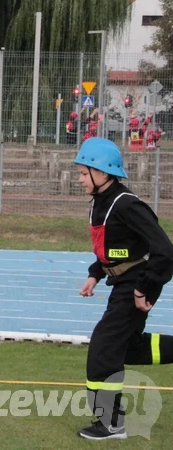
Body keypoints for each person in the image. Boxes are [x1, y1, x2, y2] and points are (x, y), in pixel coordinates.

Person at [74, 138, 173, 440]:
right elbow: (112, 248)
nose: (79, 179)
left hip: (136, 285)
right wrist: (95, 274)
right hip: (124, 283)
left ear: (101, 173)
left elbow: (165, 251)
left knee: (103, 348)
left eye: (83, 172)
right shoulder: (103, 202)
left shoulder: (126, 204)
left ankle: (111, 424)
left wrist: (145, 288)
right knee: (129, 346)